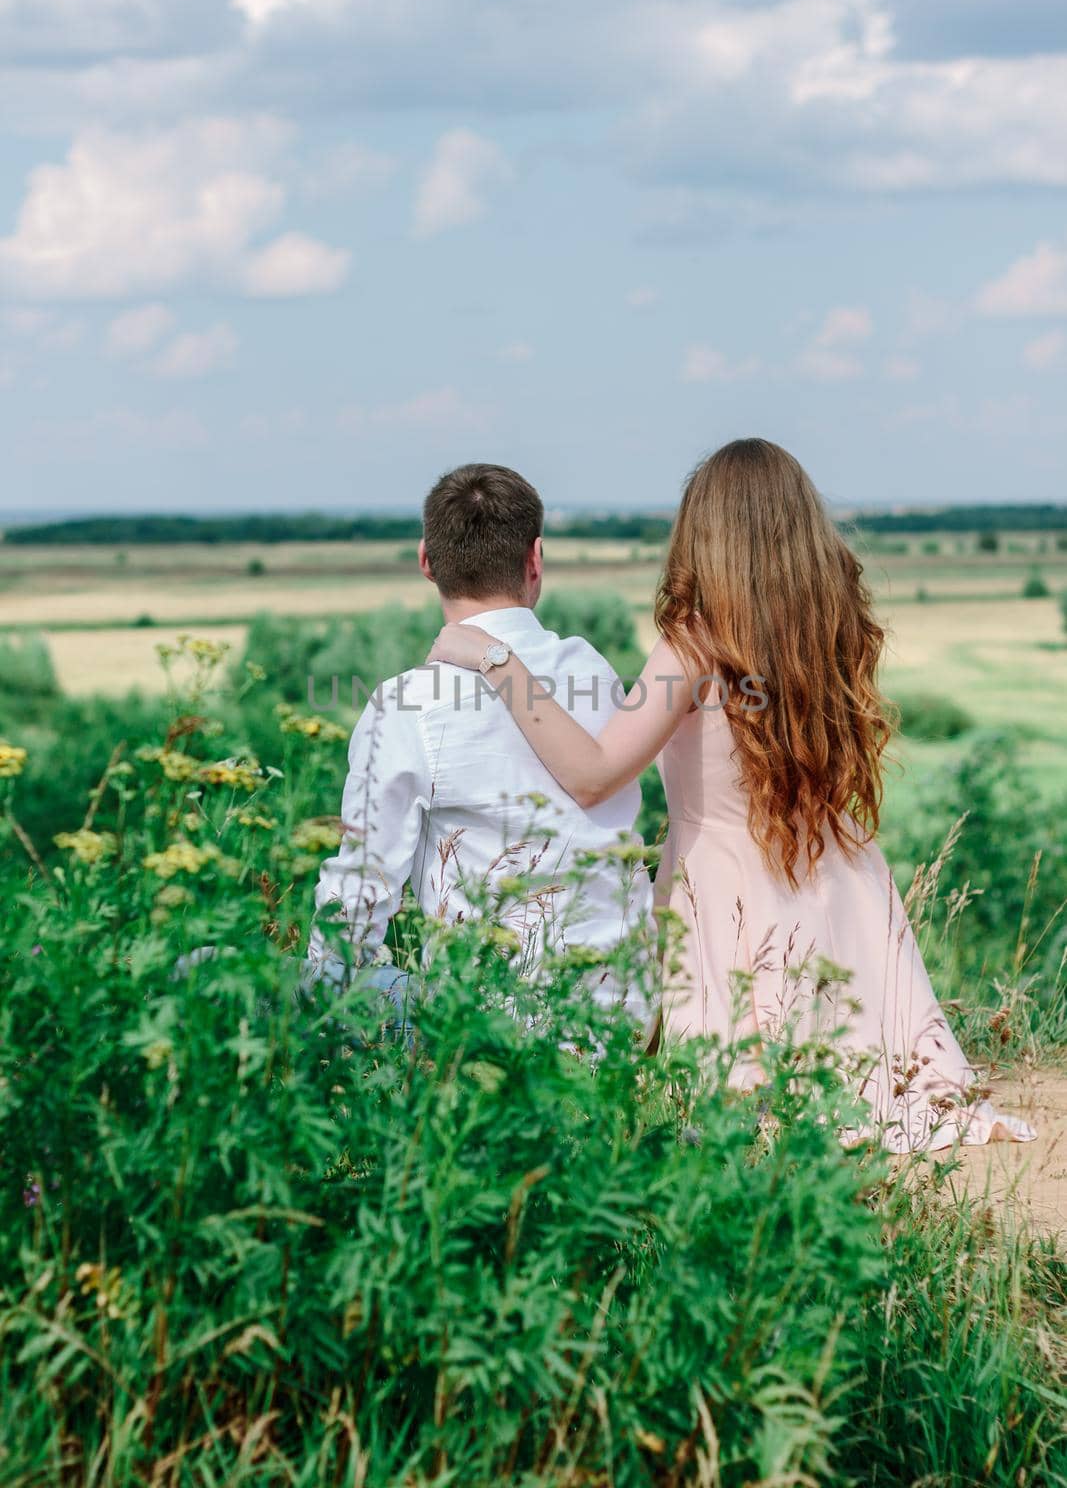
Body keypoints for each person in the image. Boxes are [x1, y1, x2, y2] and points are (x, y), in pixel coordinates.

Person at [427, 439, 1036, 1152]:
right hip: (837, 886)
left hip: (724, 899)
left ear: (702, 534)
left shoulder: (693, 645)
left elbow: (594, 772)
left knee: (729, 1112)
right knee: (873, 1081)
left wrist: (495, 659)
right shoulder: (827, 632)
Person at [306, 462, 654, 1033]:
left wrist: (324, 1011)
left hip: (492, 1031)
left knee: (214, 973)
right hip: (624, 1019)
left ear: (426, 560)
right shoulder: (591, 669)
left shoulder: (408, 703)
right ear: (535, 559)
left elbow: (361, 893)